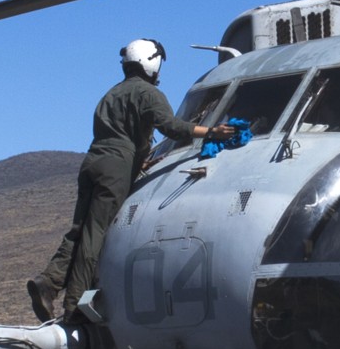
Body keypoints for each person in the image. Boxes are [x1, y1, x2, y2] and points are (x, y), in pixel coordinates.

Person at [27, 39, 235, 321]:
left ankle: (48, 283)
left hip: (92, 162)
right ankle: (74, 306)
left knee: (78, 230)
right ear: (152, 62)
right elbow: (173, 128)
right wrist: (210, 132)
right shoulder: (148, 93)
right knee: (95, 235)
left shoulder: (110, 95)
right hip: (116, 166)